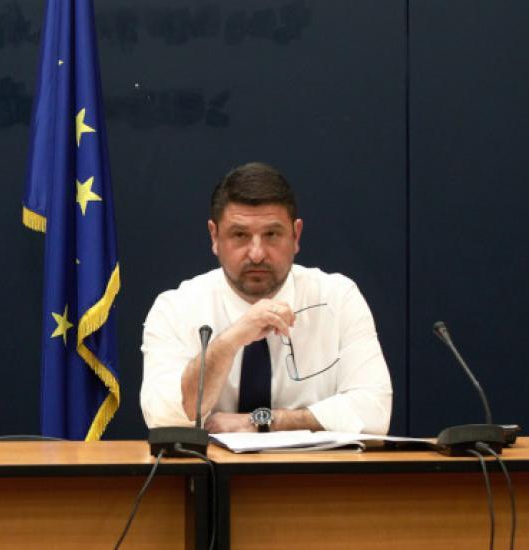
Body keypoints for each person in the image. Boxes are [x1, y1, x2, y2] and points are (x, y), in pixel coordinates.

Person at [140, 162, 392, 434]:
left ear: (296, 235)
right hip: (209, 463)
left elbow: (374, 412)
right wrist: (230, 340)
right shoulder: (176, 308)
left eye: (272, 234)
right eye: (240, 235)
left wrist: (265, 421)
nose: (257, 254)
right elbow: (164, 418)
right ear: (214, 236)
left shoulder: (338, 298)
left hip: (313, 462)